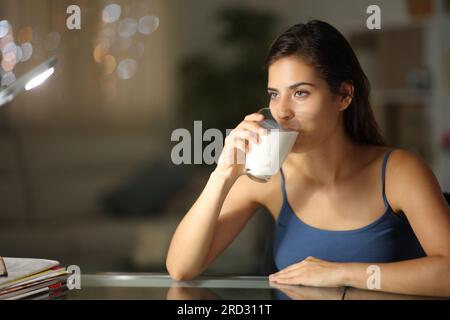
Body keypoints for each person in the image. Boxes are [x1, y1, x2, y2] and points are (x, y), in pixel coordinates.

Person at [166, 20, 450, 297]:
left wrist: (341, 273)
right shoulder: (268, 176)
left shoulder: (400, 172)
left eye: (300, 93)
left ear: (344, 96)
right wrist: (222, 174)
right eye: (274, 95)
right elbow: (181, 269)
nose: (282, 111)